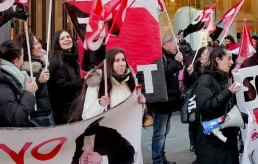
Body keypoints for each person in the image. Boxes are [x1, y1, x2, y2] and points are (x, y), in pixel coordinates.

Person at [195, 46, 245, 164]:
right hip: (212, 141)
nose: (231, 63)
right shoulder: (206, 79)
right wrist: (227, 92)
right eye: (228, 59)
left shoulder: (224, 78)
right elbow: (206, 107)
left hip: (226, 138)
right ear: (217, 60)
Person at [72, 48, 145, 120]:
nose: (122, 64)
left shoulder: (130, 82)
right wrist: (100, 104)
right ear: (109, 63)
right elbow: (86, 116)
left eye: (123, 60)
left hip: (127, 130)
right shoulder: (97, 83)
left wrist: (140, 104)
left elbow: (137, 118)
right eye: (117, 61)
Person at [148, 34, 183, 164]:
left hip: (168, 102)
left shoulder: (168, 56)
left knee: (164, 132)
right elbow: (162, 74)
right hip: (160, 102)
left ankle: (161, 157)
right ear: (167, 42)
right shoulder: (159, 56)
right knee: (159, 132)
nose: (177, 47)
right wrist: (176, 62)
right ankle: (157, 159)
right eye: (176, 43)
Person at [17, 32, 54, 127]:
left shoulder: (44, 64)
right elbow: (27, 94)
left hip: (47, 114)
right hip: (35, 118)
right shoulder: (23, 70)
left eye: (39, 42)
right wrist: (39, 81)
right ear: (27, 48)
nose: (40, 46)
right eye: (36, 43)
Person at [47, 30, 82, 125]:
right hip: (63, 112)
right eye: (62, 38)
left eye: (68, 37)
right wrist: (82, 82)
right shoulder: (55, 61)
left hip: (75, 108)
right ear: (57, 43)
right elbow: (60, 87)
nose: (66, 40)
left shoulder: (73, 58)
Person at [184, 46, 211, 158]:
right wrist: (190, 74)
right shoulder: (196, 68)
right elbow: (189, 84)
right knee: (195, 127)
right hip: (195, 104)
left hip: (206, 105)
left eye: (205, 54)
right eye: (202, 54)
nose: (202, 57)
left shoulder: (212, 70)